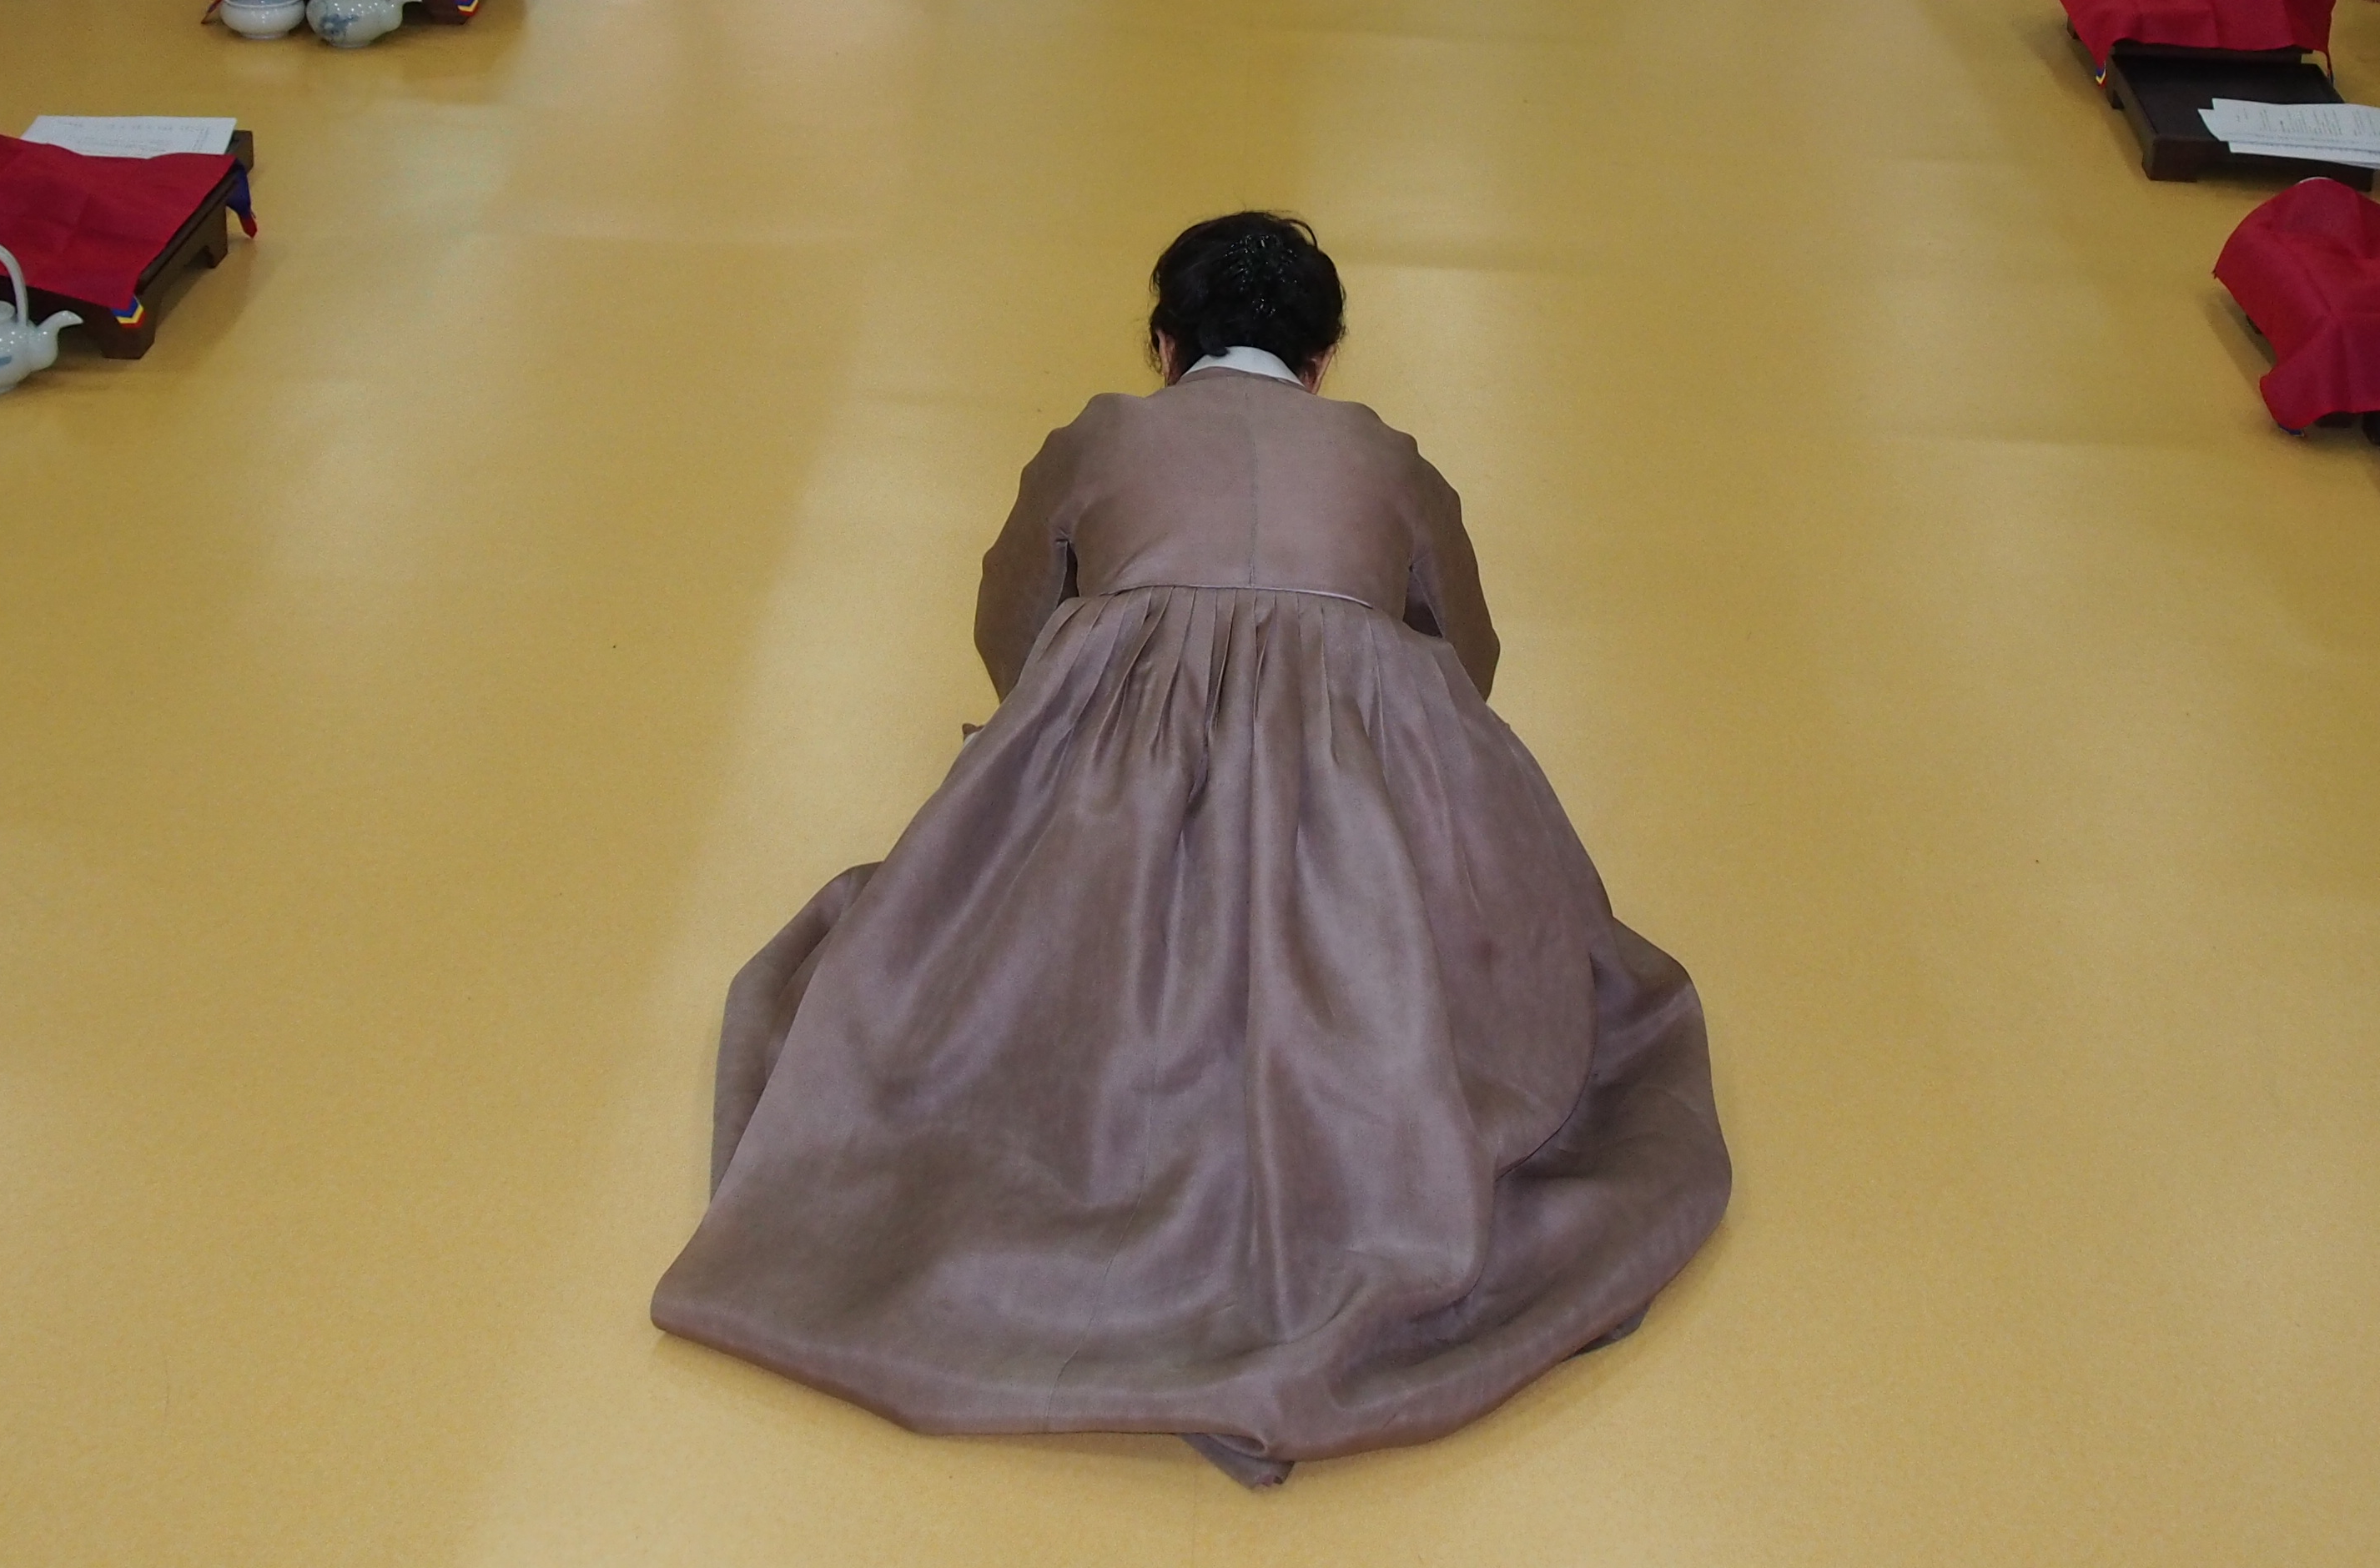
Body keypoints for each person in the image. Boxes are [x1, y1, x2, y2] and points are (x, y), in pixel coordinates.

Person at [650, 213, 1728, 1487]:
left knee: (959, 973)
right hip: (1349, 839)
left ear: (1165, 346)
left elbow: (1012, 619)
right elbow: (1466, 650)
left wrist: (1054, 732)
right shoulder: (1388, 459)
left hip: (1119, 813)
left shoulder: (1101, 437)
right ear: (1322, 362)